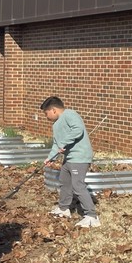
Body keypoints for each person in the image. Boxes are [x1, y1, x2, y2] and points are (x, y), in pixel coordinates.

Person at [41, 96, 99, 228]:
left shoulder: (70, 114)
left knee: (77, 185)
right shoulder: (56, 125)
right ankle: (63, 208)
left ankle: (91, 216)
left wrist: (65, 142)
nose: (46, 116)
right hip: (69, 158)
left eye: (46, 113)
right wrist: (50, 158)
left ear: (53, 110)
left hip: (80, 157)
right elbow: (57, 144)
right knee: (64, 181)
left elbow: (78, 130)